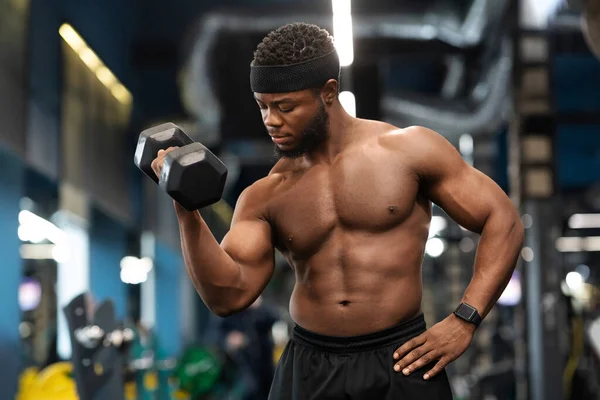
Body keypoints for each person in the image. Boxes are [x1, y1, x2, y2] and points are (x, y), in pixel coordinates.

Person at [151, 22, 524, 400]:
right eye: (263, 106)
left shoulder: (409, 151)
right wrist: (187, 209)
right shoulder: (265, 195)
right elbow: (228, 296)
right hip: (310, 367)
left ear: (328, 93)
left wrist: (466, 319)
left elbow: (502, 220)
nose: (271, 121)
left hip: (402, 357)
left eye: (285, 107)